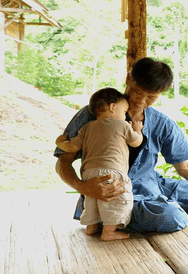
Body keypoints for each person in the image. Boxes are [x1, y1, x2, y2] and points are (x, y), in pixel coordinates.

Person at [55, 57, 188, 233]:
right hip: (114, 193)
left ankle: (162, 204)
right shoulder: (94, 115)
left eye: (152, 97)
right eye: (138, 92)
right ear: (128, 79)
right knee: (169, 216)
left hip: (154, 184)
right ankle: (112, 217)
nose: (141, 100)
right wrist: (84, 188)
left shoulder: (161, 123)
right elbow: (63, 161)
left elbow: (186, 167)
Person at [55, 87, 142, 241]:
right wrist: (137, 130)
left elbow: (71, 147)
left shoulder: (86, 128)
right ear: (113, 106)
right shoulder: (122, 125)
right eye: (124, 111)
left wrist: (59, 141)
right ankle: (109, 232)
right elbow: (135, 142)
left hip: (89, 173)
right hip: (112, 171)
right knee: (116, 200)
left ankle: (91, 227)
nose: (125, 115)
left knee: (92, 200)